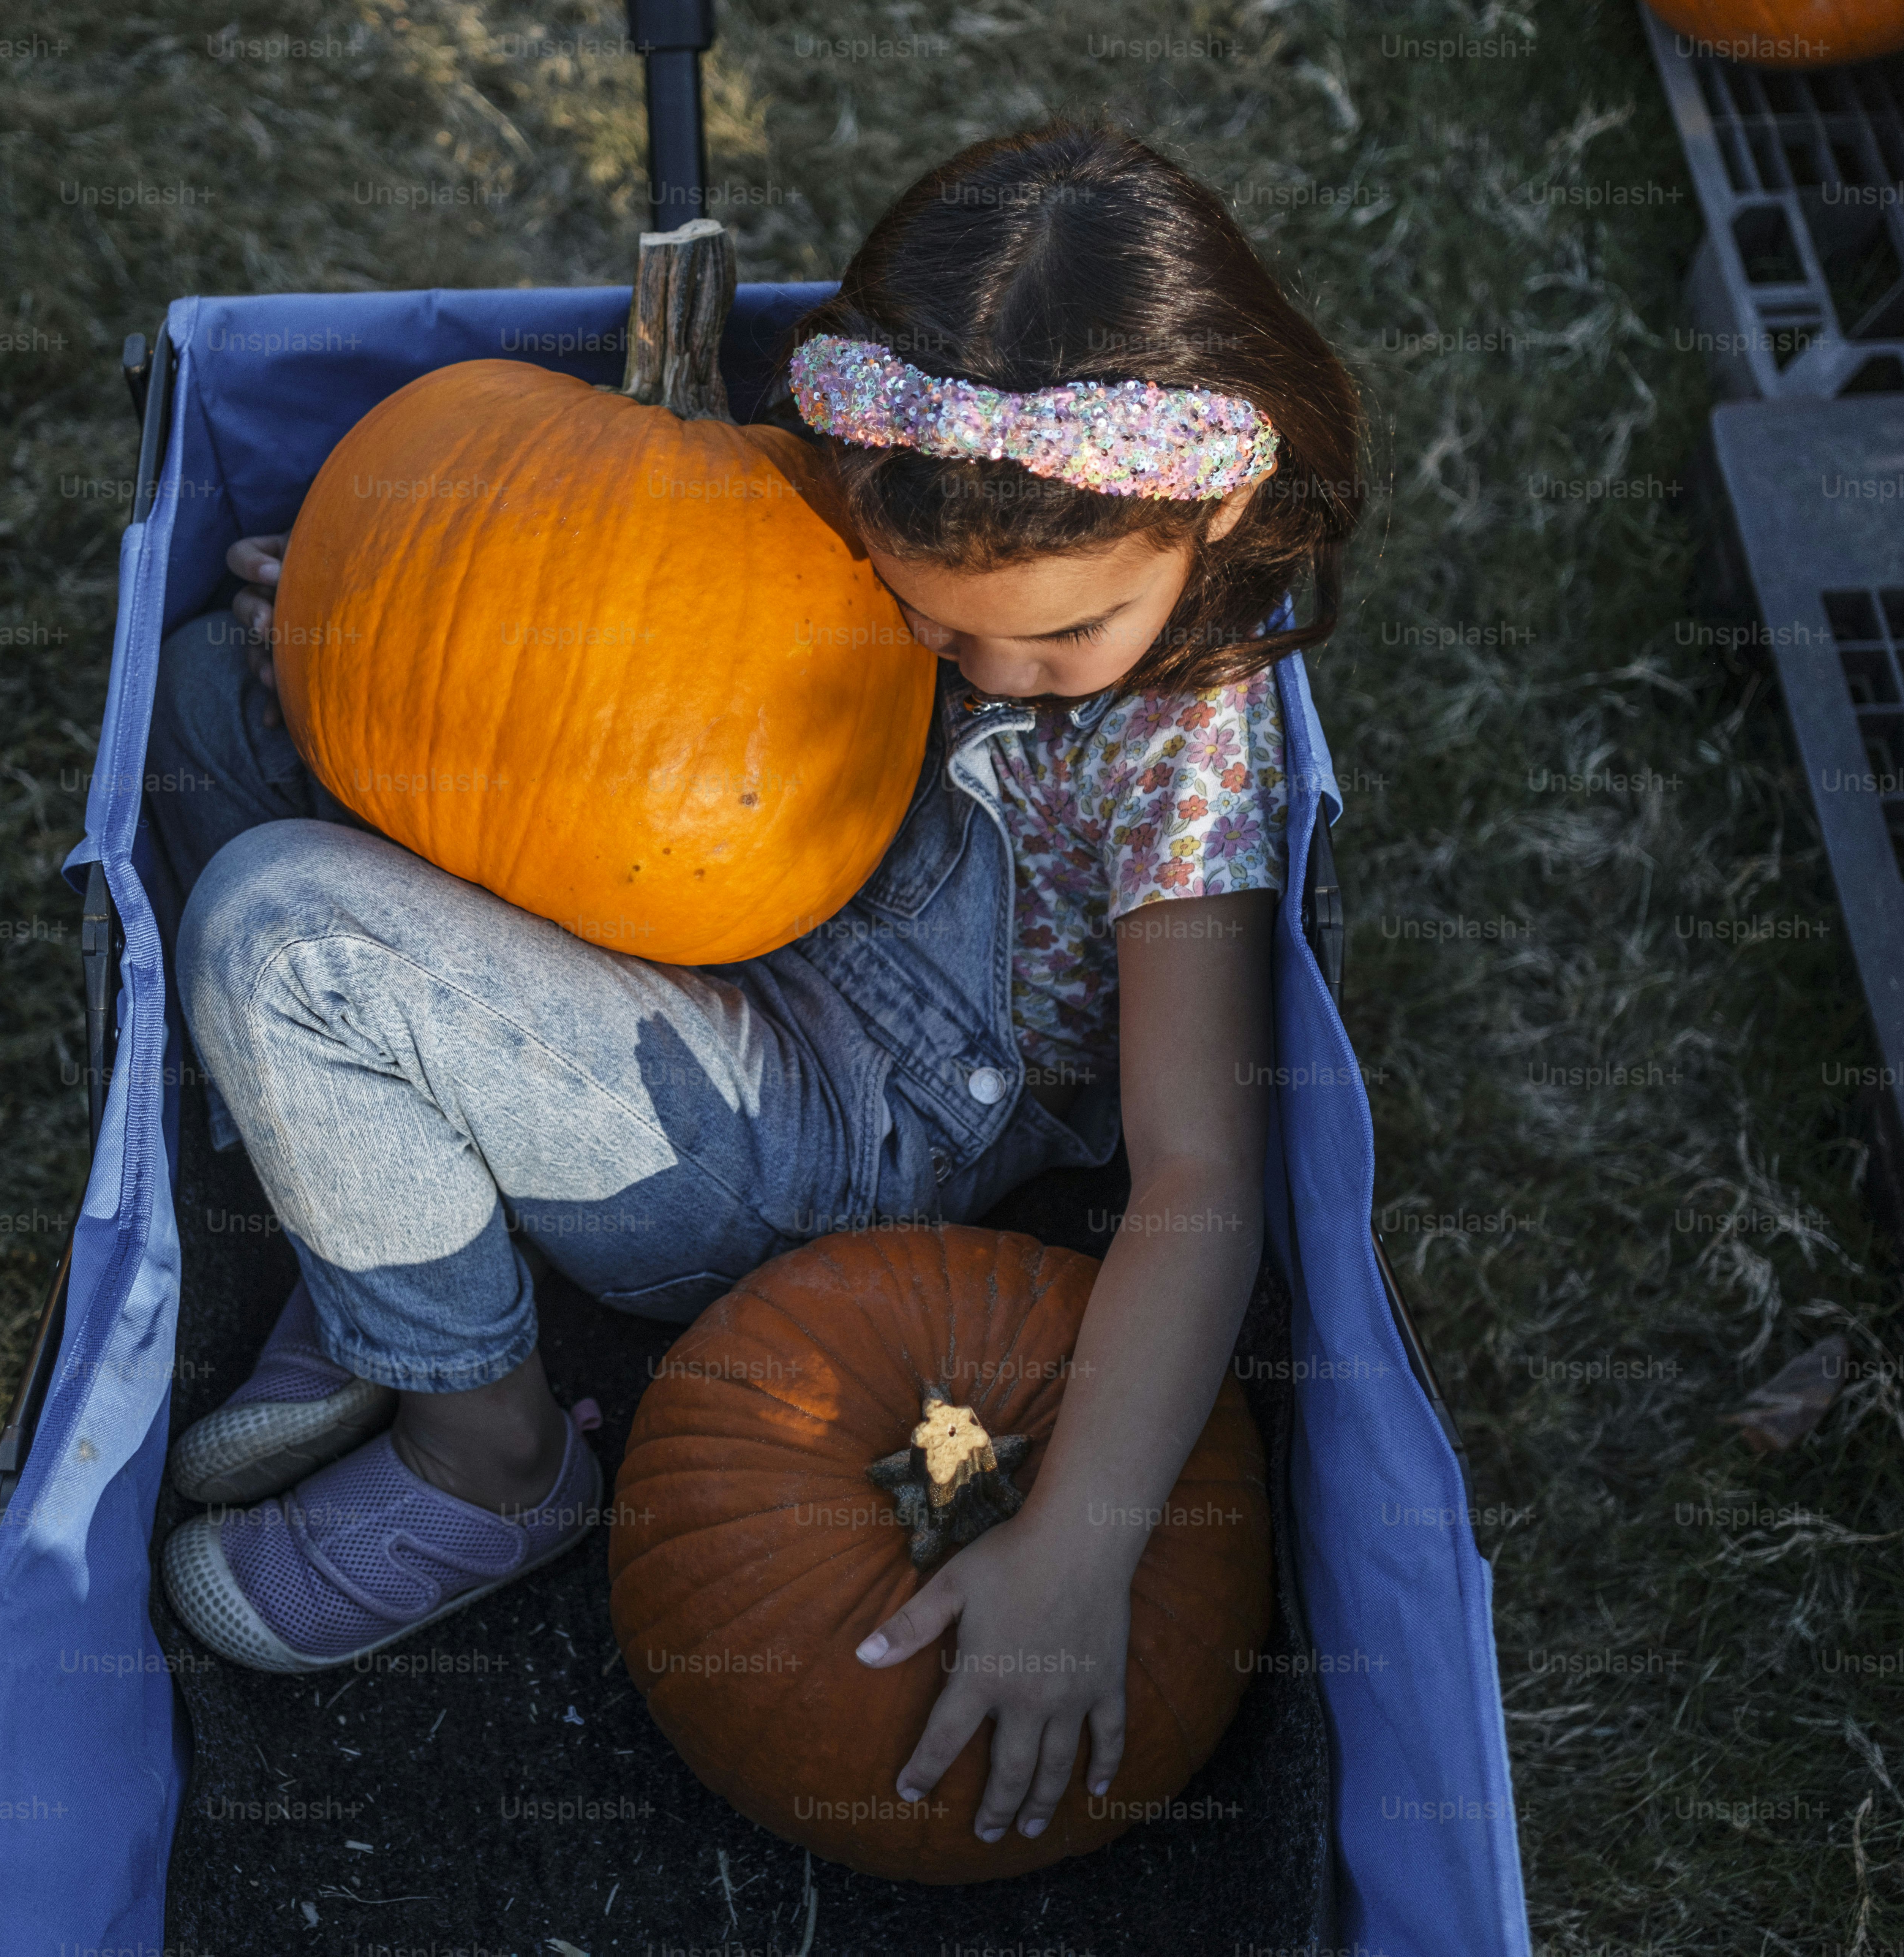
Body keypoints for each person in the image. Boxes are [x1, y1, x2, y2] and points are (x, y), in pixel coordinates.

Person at [137, 117, 1364, 1852]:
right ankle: (393, 1255)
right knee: (213, 702)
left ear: (1217, 505)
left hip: (828, 1139)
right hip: (694, 913)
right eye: (938, 636)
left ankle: (488, 1453)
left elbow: (1196, 1180)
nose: (999, 673)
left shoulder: (1186, 746)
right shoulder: (863, 477)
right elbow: (640, 658)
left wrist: (1083, 1550)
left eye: (1061, 639)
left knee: (283, 930)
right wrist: (374, 613)